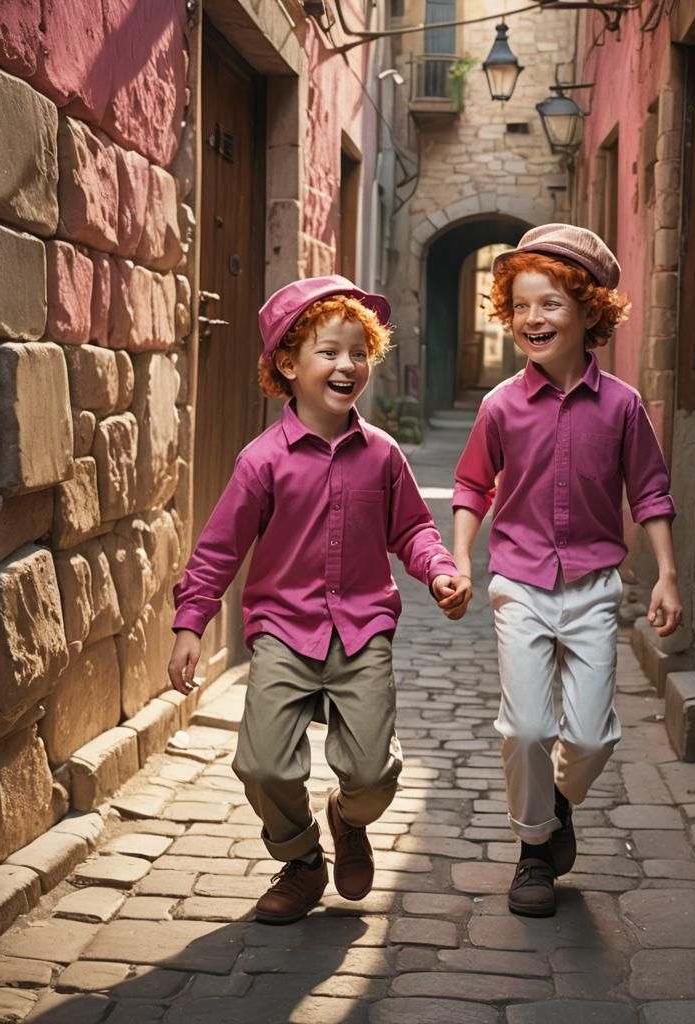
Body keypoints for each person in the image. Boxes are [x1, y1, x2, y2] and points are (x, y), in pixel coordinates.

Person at [168, 275, 472, 924]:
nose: (348, 365)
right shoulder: (262, 461)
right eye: (330, 351)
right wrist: (192, 621)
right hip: (283, 630)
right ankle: (302, 860)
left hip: (363, 630)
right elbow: (221, 547)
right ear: (288, 363)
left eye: (359, 352)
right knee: (263, 765)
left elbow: (413, 528)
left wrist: (438, 570)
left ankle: (347, 818)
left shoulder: (384, 455)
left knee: (371, 775)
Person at [451, 224, 682, 917]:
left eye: (550, 304)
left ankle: (553, 800)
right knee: (523, 729)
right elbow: (470, 487)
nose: (532, 319)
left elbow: (650, 492)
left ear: (589, 312)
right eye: (520, 306)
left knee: (590, 735)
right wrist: (461, 556)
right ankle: (532, 854)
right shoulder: (499, 407)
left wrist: (667, 574)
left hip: (592, 587)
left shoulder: (623, 407)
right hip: (519, 584)